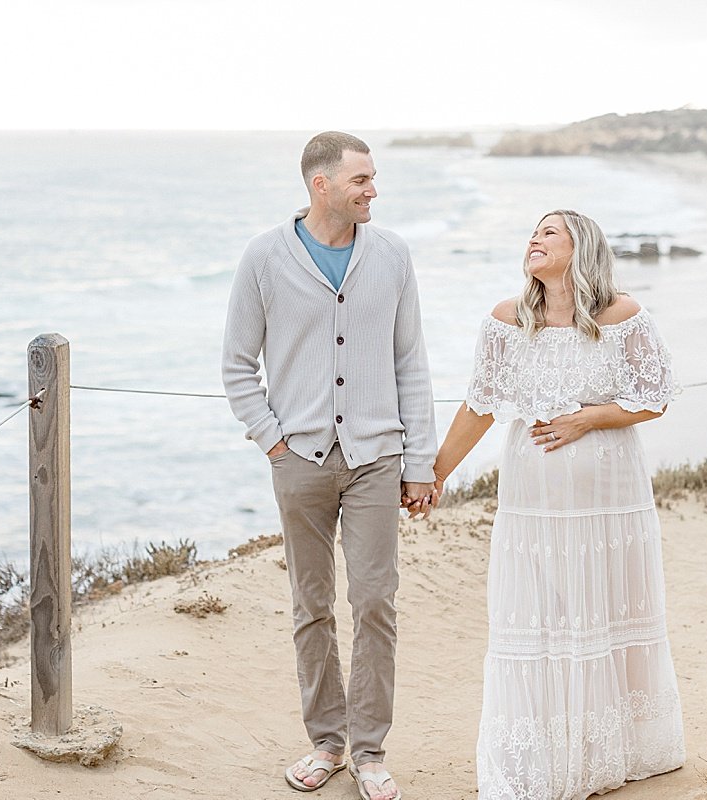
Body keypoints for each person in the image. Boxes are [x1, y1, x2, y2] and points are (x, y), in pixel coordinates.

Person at [432, 210, 686, 798]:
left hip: (610, 498)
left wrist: (589, 419)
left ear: (582, 247)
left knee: (601, 608)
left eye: (548, 232)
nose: (533, 240)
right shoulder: (505, 322)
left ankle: (611, 747)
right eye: (532, 233)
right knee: (541, 615)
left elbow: (656, 397)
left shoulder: (622, 316)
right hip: (531, 503)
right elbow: (480, 407)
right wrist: (437, 473)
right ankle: (544, 753)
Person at [221, 131, 437, 800]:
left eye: (373, 179)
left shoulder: (392, 254)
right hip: (301, 460)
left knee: (375, 601)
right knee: (311, 606)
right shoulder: (264, 257)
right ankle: (326, 742)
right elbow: (236, 366)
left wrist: (420, 461)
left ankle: (370, 751)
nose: (373, 189)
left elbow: (411, 362)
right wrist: (273, 440)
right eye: (361, 180)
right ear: (322, 185)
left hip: (378, 458)